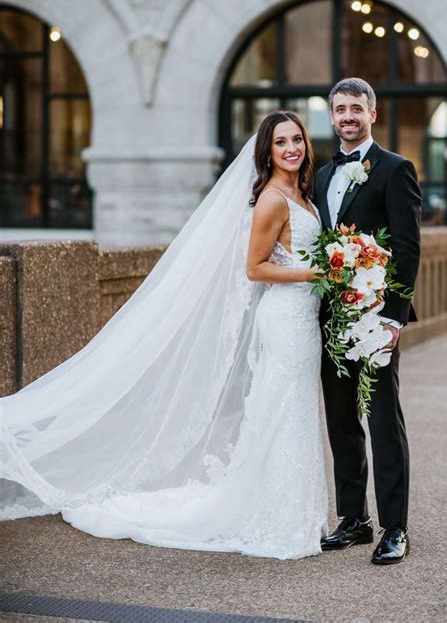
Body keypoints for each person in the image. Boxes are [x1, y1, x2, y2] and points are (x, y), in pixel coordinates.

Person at [0, 111, 328, 560]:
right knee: (281, 409)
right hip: (286, 318)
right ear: (266, 152)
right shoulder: (272, 198)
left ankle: (292, 510)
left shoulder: (303, 194)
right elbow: (254, 268)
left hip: (304, 319)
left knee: (292, 410)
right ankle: (273, 514)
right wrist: (320, 270)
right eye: (280, 142)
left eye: (296, 139)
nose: (291, 148)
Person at [314, 77, 422, 565]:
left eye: (356, 108)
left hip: (377, 319)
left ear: (371, 114)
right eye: (339, 110)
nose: (347, 117)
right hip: (331, 321)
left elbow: (407, 246)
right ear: (331, 116)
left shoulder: (396, 170)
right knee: (341, 421)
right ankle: (353, 518)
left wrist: (395, 319)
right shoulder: (320, 175)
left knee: (382, 421)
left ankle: (395, 527)